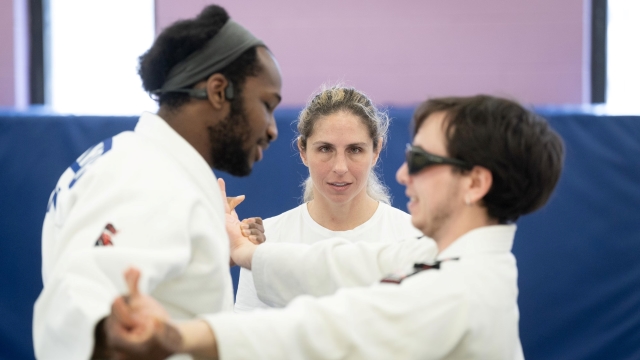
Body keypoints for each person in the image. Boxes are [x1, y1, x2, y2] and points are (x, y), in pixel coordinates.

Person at [104, 94, 565, 359]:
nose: (405, 175)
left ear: (475, 183)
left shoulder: (457, 291)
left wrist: (178, 335)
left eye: (422, 161)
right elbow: (343, 263)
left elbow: (329, 327)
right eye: (325, 149)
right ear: (304, 150)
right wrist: (244, 253)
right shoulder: (452, 259)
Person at [31, 5, 282, 360]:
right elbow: (79, 303)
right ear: (217, 91)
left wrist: (204, 254)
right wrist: (104, 331)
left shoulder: (135, 158)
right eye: (266, 104)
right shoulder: (151, 179)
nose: (272, 128)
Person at [234, 85, 426, 312]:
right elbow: (248, 333)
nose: (340, 167)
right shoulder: (265, 239)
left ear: (376, 150)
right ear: (303, 150)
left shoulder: (413, 239)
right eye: (325, 149)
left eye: (355, 149)